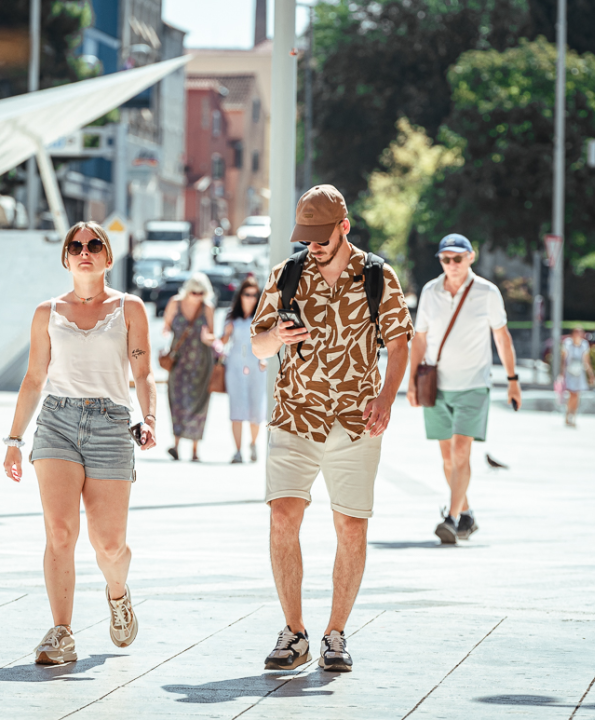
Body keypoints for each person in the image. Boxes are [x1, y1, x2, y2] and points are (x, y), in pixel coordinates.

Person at [252, 184, 413, 673]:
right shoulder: (288, 273)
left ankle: (335, 633)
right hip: (295, 415)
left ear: (345, 226)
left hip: (355, 420)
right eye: (308, 235)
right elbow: (257, 345)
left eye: (323, 235)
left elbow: (401, 342)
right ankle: (295, 631)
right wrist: (275, 335)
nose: (315, 244)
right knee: (283, 517)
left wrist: (387, 398)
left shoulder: (377, 275)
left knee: (352, 526)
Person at [2, 221, 157, 666]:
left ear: (108, 258)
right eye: (75, 246)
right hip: (57, 422)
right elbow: (34, 379)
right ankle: (62, 632)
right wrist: (14, 439)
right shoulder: (46, 312)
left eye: (93, 245)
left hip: (111, 424)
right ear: (66, 258)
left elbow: (143, 373)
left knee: (108, 544)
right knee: (60, 531)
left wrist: (147, 418)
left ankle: (118, 593)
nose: (84, 251)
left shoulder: (130, 309)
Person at [408, 233, 521, 544]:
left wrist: (513, 381)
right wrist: (411, 383)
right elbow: (419, 339)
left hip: (473, 385)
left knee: (461, 450)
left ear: (471, 257)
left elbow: (502, 337)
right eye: (446, 259)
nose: (452, 264)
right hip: (436, 387)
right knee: (447, 458)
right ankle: (467, 512)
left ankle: (452, 518)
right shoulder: (431, 292)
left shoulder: (487, 292)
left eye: (458, 258)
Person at [163, 272, 216, 461]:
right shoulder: (175, 303)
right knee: (177, 402)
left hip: (201, 363)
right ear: (187, 290)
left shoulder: (207, 308)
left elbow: (213, 336)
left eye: (201, 293)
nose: (197, 296)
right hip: (179, 363)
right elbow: (166, 326)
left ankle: (195, 450)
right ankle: (176, 445)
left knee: (199, 404)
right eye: (194, 292)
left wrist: (207, 338)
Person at [218, 276, 267, 463]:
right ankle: (237, 451)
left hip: (256, 364)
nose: (251, 298)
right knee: (237, 407)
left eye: (255, 295)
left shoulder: (262, 316)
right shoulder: (232, 316)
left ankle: (253, 444)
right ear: (240, 295)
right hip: (236, 365)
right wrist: (225, 333)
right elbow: (221, 343)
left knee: (256, 407)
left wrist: (265, 359)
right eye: (247, 294)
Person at [561, 326, 595, 427]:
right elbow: (563, 359)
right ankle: (568, 414)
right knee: (571, 394)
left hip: (579, 373)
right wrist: (561, 373)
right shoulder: (567, 343)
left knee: (577, 395)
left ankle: (573, 416)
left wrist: (591, 374)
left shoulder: (584, 345)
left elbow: (586, 361)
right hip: (569, 372)